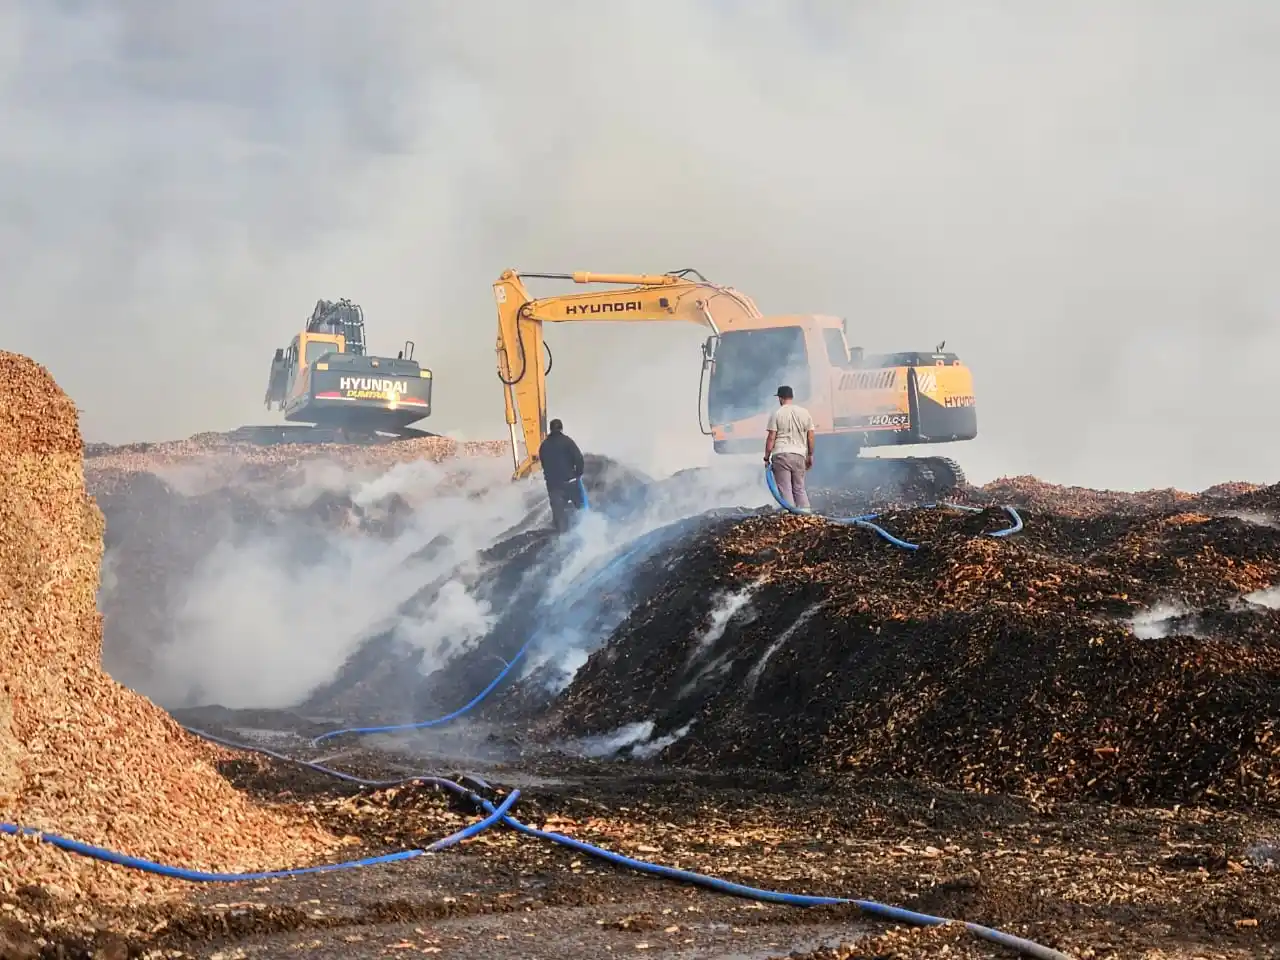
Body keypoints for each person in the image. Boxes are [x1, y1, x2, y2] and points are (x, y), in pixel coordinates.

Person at [763, 385, 815, 512]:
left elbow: (771, 438)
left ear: (780, 398)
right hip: (799, 455)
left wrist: (766, 457)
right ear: (792, 397)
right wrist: (810, 455)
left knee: (785, 488)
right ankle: (806, 515)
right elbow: (810, 436)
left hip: (781, 455)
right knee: (799, 488)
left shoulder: (777, 413)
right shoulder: (805, 413)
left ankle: (789, 515)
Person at [538, 418, 586, 532]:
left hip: (554, 486)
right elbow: (579, 458)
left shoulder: (543, 446)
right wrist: (578, 474)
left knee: (559, 517)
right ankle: (584, 531)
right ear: (561, 428)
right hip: (570, 482)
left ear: (550, 429)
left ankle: (562, 537)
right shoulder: (567, 441)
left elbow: (544, 465)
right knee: (581, 509)